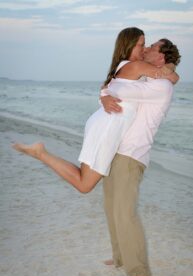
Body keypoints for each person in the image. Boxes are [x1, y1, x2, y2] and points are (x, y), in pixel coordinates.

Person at [12, 28, 177, 194]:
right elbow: (172, 77)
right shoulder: (136, 66)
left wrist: (104, 96)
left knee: (85, 181)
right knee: (85, 184)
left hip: (107, 123)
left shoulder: (126, 66)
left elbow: (108, 88)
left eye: (146, 45)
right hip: (109, 126)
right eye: (141, 45)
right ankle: (41, 153)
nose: (145, 49)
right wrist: (171, 65)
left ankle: (41, 153)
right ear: (130, 45)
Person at [101, 38, 181, 276]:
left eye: (152, 47)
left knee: (125, 213)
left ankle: (141, 273)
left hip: (132, 154)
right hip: (115, 149)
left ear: (161, 58)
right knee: (111, 208)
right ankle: (120, 257)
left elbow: (119, 89)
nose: (145, 49)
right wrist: (104, 96)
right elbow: (111, 88)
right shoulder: (151, 77)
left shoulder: (161, 86)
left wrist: (107, 92)